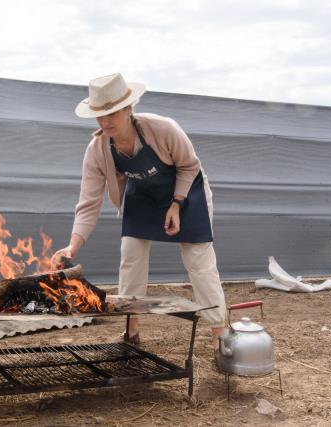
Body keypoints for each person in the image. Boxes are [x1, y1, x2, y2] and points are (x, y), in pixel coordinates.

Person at [51, 73, 227, 349]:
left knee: (198, 261)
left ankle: (220, 336)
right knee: (131, 254)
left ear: (129, 109)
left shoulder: (163, 129)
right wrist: (73, 246)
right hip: (142, 195)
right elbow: (88, 201)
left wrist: (177, 203)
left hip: (186, 189)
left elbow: (190, 165)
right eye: (100, 114)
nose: (105, 121)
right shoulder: (98, 149)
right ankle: (131, 332)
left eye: (112, 113)